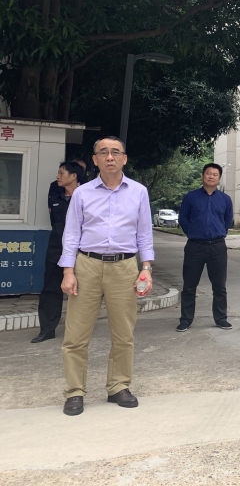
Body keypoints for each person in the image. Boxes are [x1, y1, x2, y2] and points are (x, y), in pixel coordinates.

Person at [59, 137, 154, 416]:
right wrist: (68, 271)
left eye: (115, 152)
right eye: (103, 152)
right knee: (76, 334)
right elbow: (72, 234)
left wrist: (146, 268)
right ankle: (75, 391)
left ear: (124, 158)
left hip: (124, 267)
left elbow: (144, 233)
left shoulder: (138, 192)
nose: (110, 157)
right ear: (95, 160)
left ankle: (118, 386)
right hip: (86, 266)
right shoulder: (82, 193)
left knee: (123, 333)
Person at [31, 161, 85, 344]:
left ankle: (79, 330)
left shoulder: (86, 199)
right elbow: (54, 224)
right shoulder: (55, 199)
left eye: (62, 173)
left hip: (81, 253)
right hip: (55, 251)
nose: (58, 176)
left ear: (73, 176)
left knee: (82, 292)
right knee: (50, 290)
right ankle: (47, 329)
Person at [176, 163, 234, 332]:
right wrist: (192, 233)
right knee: (189, 285)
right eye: (208, 173)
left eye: (215, 174)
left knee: (219, 286)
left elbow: (227, 221)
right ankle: (185, 320)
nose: (211, 176)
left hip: (217, 247)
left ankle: (221, 318)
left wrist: (219, 232)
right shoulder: (191, 197)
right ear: (202, 176)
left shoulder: (225, 199)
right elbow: (183, 218)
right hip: (195, 246)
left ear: (219, 179)